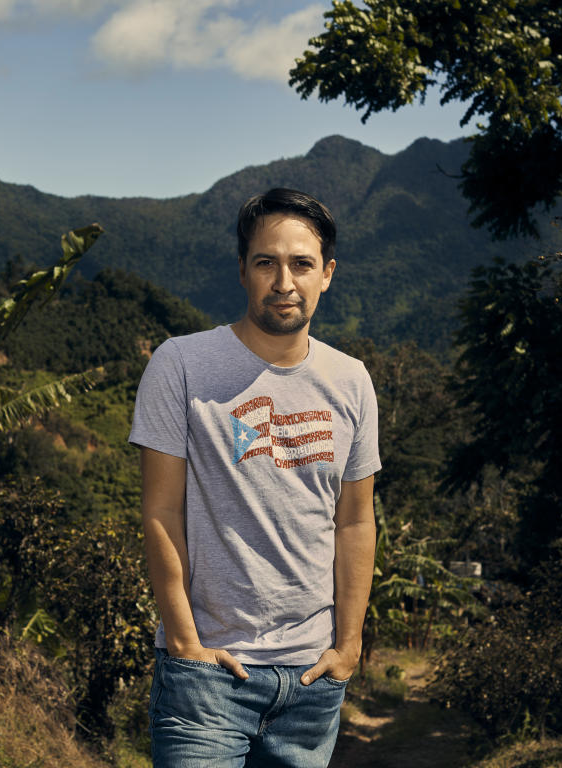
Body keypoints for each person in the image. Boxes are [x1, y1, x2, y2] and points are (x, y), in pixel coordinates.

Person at [129, 187, 380, 767]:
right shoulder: (182, 364)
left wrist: (349, 646)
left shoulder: (351, 381)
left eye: (301, 264)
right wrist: (187, 645)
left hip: (311, 684)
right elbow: (161, 513)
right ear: (243, 271)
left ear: (328, 274)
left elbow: (355, 520)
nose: (284, 281)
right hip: (206, 682)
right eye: (266, 262)